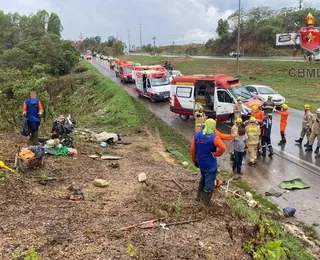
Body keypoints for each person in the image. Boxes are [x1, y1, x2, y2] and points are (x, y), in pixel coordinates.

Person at [191, 119, 226, 206]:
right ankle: (205, 203)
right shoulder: (214, 137)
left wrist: (195, 161)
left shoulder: (197, 135)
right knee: (209, 183)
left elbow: (192, 149)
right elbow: (223, 147)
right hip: (210, 165)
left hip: (201, 163)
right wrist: (217, 154)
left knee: (203, 178)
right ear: (213, 126)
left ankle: (198, 197)